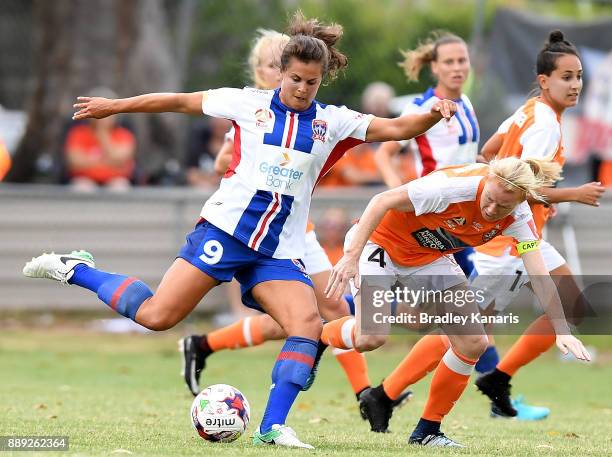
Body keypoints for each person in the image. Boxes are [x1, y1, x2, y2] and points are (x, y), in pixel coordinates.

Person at [22, 12, 456, 449]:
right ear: (281, 73)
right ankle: (76, 269)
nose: (303, 89)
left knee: (305, 324)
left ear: (322, 80)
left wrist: (433, 114)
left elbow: (400, 127)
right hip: (225, 232)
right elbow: (178, 100)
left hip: (278, 249)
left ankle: (272, 428)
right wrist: (117, 106)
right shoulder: (247, 103)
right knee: (157, 316)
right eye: (296, 79)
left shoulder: (334, 122)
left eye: (312, 82)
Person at [179, 29, 412, 414]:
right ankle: (207, 346)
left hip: (295, 232)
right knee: (308, 321)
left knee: (325, 314)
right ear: (265, 71)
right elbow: (224, 164)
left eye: (282, 64)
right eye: (271, 64)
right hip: (254, 229)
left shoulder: (314, 117)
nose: (281, 74)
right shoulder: (249, 111)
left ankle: (362, 394)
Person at [321, 157, 591, 447]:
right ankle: (319, 334)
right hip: (380, 243)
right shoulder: (453, 188)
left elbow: (538, 272)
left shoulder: (520, 217)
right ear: (487, 181)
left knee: (473, 341)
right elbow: (381, 200)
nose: (491, 210)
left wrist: (561, 329)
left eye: (502, 206)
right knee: (370, 337)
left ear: (522, 200)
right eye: (489, 200)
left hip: (428, 258)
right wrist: (350, 257)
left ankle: (428, 431)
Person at [471, 30, 604, 419]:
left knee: (571, 306)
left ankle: (497, 380)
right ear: (544, 81)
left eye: (579, 76)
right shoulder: (544, 123)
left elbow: (489, 152)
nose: (576, 84)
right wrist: (570, 194)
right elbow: (521, 188)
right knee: (465, 330)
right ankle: (386, 394)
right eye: (567, 77)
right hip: (512, 239)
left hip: (522, 232)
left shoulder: (529, 111)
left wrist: (538, 199)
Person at [375, 31, 478, 276]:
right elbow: (383, 153)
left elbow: (463, 155)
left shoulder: (466, 101)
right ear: (434, 67)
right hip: (438, 211)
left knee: (441, 296)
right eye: (448, 62)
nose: (457, 68)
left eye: (462, 60)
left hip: (467, 210)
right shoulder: (422, 107)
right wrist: (398, 193)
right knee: (468, 283)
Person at [64, 88, 136, 191]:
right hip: (84, 179)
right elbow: (75, 163)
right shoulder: (79, 133)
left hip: (115, 180)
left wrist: (102, 133)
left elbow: (120, 160)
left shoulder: (123, 134)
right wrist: (107, 162)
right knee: (82, 187)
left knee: (120, 187)